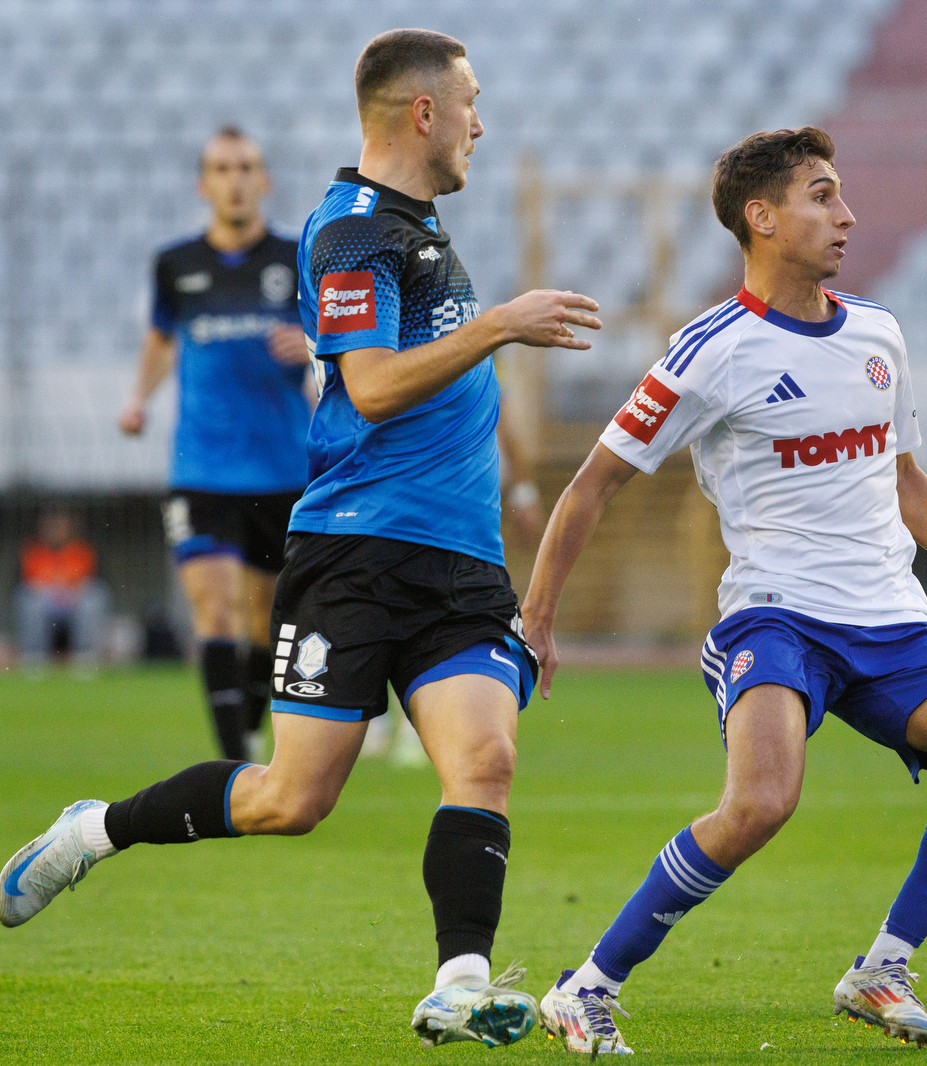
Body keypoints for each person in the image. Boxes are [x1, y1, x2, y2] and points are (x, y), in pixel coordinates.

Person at [3, 29, 603, 1051]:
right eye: (470, 102)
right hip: (357, 555)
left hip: (461, 561)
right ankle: (93, 829)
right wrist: (499, 323)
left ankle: (459, 984)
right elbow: (370, 386)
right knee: (291, 798)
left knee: (486, 759)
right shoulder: (353, 232)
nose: (481, 123)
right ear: (423, 112)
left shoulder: (417, 227)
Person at [521, 126, 927, 1054]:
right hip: (776, 619)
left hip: (889, 617)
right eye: (821, 195)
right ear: (761, 218)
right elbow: (591, 485)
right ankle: (586, 986)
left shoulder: (878, 332)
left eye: (839, 193)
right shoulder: (711, 350)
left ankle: (882, 970)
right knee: (761, 804)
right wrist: (537, 619)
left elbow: (904, 477)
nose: (845, 214)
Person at [119, 126, 308, 761]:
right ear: (204, 185)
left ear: (265, 181)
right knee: (216, 609)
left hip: (283, 469)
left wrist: (310, 346)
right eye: (222, 169)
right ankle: (234, 766)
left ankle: (245, 731)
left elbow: (339, 340)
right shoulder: (176, 264)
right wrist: (138, 398)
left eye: (246, 167)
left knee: (266, 625)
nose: (235, 180)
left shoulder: (296, 258)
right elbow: (160, 339)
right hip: (201, 469)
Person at [14, 511, 108, 671]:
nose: (55, 531)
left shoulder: (81, 549)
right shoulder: (33, 550)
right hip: (45, 602)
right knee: (30, 600)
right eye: (51, 527)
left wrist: (76, 589)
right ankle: (34, 656)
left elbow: (95, 580)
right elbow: (22, 582)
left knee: (93, 597)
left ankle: (85, 655)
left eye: (59, 526)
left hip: (74, 601)